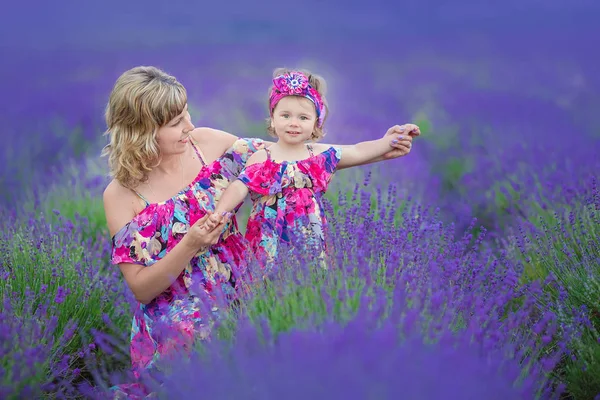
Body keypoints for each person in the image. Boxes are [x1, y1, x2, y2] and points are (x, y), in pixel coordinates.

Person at [101, 65, 416, 397]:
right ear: (143, 130)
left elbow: (287, 155)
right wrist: (191, 244)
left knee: (294, 324)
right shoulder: (121, 195)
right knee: (212, 339)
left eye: (186, 113)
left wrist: (381, 148)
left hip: (245, 277)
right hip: (180, 308)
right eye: (176, 122)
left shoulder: (205, 143)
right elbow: (141, 289)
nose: (189, 125)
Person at [209, 68, 420, 274]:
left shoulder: (317, 155)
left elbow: (357, 150)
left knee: (308, 279)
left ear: (315, 123)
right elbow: (239, 187)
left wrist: (390, 140)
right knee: (266, 283)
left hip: (306, 238)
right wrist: (219, 214)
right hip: (267, 238)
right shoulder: (263, 157)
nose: (294, 123)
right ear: (273, 118)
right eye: (285, 115)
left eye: (303, 118)